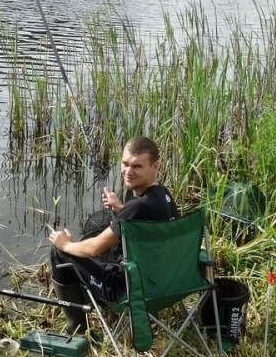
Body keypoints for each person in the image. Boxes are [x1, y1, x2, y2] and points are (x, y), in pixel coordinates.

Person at [48, 136, 180, 334]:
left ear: (155, 166)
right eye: (125, 164)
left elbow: (94, 248)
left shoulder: (138, 207)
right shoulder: (164, 196)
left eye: (137, 166)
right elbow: (145, 220)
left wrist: (65, 244)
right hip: (165, 283)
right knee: (101, 236)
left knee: (59, 253)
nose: (128, 171)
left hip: (126, 290)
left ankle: (76, 328)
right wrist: (121, 209)